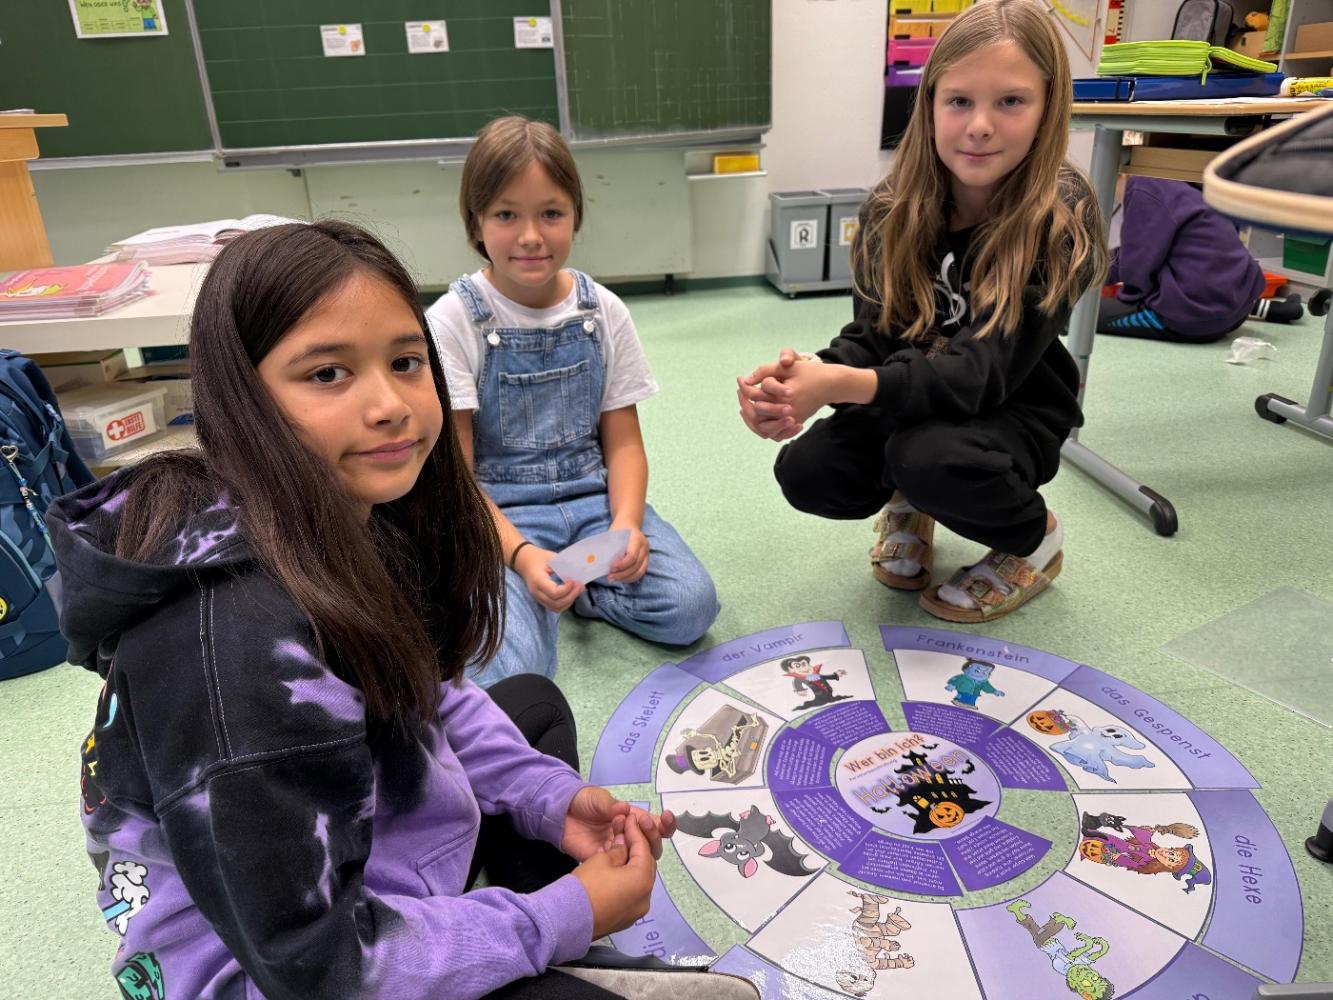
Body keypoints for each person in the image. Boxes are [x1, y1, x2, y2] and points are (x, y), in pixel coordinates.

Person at [52, 220, 677, 1000]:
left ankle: (518, 933)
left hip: (357, 870)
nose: (390, 406)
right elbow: (322, 968)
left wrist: (551, 803)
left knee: (531, 708)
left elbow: (431, 692)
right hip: (287, 974)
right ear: (242, 397)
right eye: (327, 374)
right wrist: (559, 917)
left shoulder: (344, 508)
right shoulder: (242, 649)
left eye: (406, 362)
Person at [737, 0, 1106, 623]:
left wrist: (842, 384)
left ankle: (1035, 539)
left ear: (1049, 108)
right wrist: (809, 375)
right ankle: (909, 499)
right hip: (918, 396)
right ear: (929, 105)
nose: (980, 125)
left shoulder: (1060, 216)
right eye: (959, 101)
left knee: (931, 458)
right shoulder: (891, 206)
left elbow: (980, 374)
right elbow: (876, 332)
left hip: (1013, 408)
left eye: (1011, 102)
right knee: (810, 471)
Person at [426, 115, 718, 687]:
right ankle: (541, 591)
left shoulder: (602, 310)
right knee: (508, 670)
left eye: (551, 214)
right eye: (506, 215)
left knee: (691, 607)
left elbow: (624, 443)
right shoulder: (453, 320)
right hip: (502, 517)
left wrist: (627, 526)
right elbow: (458, 477)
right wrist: (520, 556)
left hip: (595, 503)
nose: (530, 236)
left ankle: (577, 592)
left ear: (576, 216)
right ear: (476, 221)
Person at [1098, 175, 1305, 343]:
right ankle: (1272, 309)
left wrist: (1125, 299)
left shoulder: (1142, 188)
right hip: (1236, 306)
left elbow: (1137, 268)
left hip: (1192, 321)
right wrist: (1097, 270)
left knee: (1089, 315)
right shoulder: (1184, 182)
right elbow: (1139, 250)